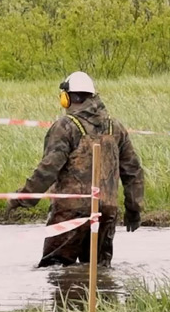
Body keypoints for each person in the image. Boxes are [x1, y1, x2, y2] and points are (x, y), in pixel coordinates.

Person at [8, 71, 145, 267]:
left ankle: (65, 298)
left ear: (68, 98)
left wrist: (24, 197)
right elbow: (133, 172)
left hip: (70, 212)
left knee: (55, 268)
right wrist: (134, 210)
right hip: (105, 213)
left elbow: (48, 168)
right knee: (98, 271)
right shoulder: (116, 127)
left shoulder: (66, 126)